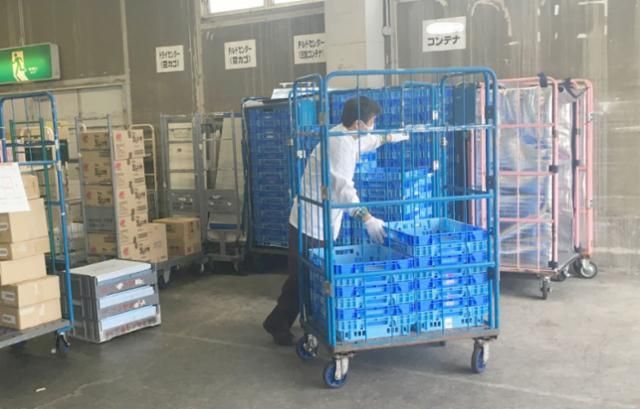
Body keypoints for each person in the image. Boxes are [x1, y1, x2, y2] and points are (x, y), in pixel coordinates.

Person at [263, 96, 409, 346]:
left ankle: (290, 320)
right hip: (311, 222)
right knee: (303, 277)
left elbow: (366, 142)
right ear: (359, 123)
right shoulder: (339, 145)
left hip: (318, 219)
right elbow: (344, 189)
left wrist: (390, 137)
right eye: (372, 121)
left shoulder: (345, 134)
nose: (373, 125)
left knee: (308, 275)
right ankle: (279, 323)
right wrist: (367, 218)